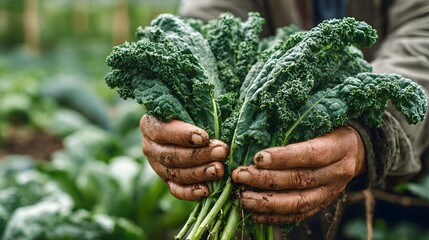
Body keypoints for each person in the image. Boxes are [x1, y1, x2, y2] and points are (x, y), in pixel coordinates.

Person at [140, 0, 429, 238]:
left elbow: (421, 42)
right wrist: (181, 116)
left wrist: (372, 132)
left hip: (405, 187)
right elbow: (208, 24)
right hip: (258, 196)